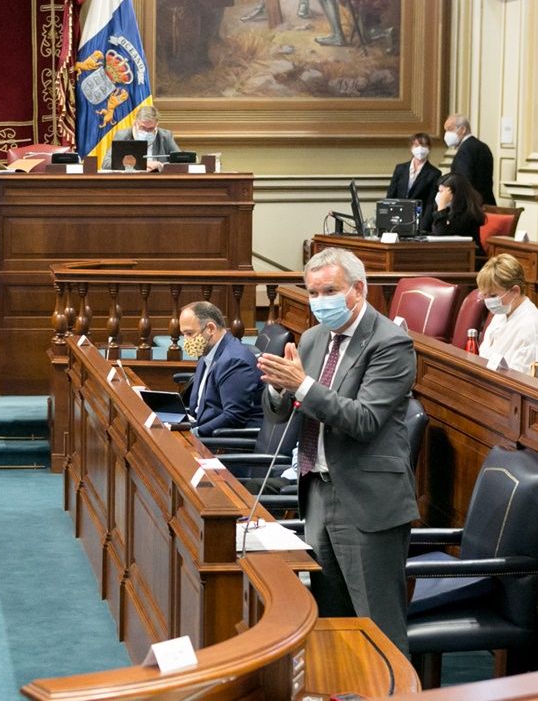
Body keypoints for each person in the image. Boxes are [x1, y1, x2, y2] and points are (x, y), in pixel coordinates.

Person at [257, 247, 417, 654]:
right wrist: (279, 386)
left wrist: (301, 385)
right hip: (317, 492)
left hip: (366, 502)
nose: (319, 300)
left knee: (377, 626)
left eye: (329, 290)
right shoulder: (312, 338)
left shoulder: (390, 343)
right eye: (312, 292)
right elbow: (279, 415)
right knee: (332, 624)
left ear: (358, 290)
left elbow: (363, 420)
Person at [179, 301, 263, 437]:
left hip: (225, 442)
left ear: (210, 329)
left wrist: (195, 433)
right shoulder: (207, 354)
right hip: (203, 428)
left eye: (189, 333)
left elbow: (233, 416)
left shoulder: (234, 360)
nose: (186, 340)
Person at [476, 253, 538, 371]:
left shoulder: (531, 325)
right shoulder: (502, 313)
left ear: (515, 291)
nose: (488, 300)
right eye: (485, 294)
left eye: (493, 295)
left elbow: (522, 379)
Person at [385, 132, 441, 232]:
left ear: (429, 148)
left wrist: (423, 227)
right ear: (411, 148)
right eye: (416, 145)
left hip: (419, 219)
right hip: (398, 217)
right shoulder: (400, 169)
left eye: (424, 145)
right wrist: (387, 219)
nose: (420, 149)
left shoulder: (434, 173)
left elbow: (430, 203)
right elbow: (391, 195)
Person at [101, 105, 179, 171]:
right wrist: (143, 164)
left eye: (151, 129)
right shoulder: (123, 135)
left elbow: (181, 162)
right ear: (135, 123)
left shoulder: (165, 136)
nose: (147, 132)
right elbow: (106, 164)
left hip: (158, 183)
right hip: (131, 184)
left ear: (156, 125)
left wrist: (161, 166)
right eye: (143, 128)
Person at [444, 113, 497, 206]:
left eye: (449, 129)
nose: (446, 134)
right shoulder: (482, 146)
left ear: (463, 130)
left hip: (471, 208)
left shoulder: (465, 150)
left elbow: (463, 183)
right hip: (486, 203)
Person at [428, 173, 486, 250]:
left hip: (471, 257)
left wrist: (441, 206)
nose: (439, 196)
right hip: (452, 254)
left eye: (442, 192)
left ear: (455, 193)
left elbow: (441, 234)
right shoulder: (449, 210)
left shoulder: (468, 214)